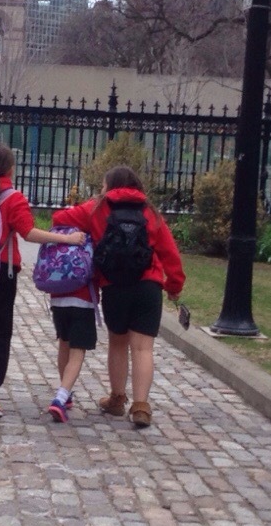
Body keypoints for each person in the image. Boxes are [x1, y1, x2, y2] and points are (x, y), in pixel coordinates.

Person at [0, 143, 87, 420]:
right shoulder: (12, 198)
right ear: (11, 169)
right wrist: (67, 239)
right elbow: (29, 233)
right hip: (2, 270)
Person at [68, 165, 185, 429]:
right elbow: (170, 253)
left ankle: (117, 399)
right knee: (143, 348)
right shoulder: (150, 212)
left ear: (109, 186)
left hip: (114, 286)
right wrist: (174, 285)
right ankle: (141, 406)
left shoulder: (98, 209)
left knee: (118, 343)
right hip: (148, 286)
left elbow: (61, 218)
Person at [45, 203, 97, 423]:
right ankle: (60, 398)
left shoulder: (62, 228)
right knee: (78, 351)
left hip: (58, 296)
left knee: (64, 343)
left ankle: (64, 391)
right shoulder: (92, 228)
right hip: (83, 299)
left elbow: (58, 217)